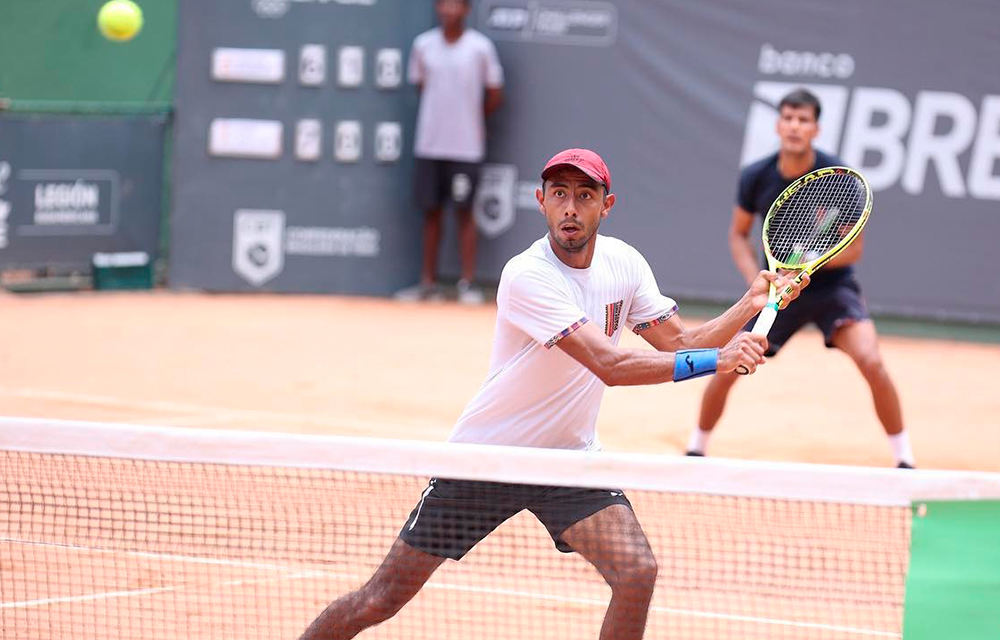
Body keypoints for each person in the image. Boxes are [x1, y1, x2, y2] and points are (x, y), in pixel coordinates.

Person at [297, 148, 809, 640]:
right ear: (540, 200)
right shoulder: (528, 275)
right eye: (559, 193)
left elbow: (678, 342)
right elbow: (609, 365)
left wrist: (750, 302)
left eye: (585, 195)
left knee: (636, 571)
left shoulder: (624, 264)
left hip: (566, 461)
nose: (570, 206)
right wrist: (719, 361)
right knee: (380, 600)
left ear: (606, 206)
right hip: (487, 460)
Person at [684, 88, 916, 469]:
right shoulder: (756, 176)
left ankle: (905, 459)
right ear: (778, 124)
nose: (795, 126)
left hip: (831, 289)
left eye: (803, 119)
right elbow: (737, 234)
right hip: (777, 291)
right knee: (730, 364)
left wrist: (807, 266)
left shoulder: (838, 177)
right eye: (788, 118)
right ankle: (695, 448)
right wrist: (758, 281)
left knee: (871, 361)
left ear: (816, 129)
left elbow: (853, 250)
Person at [400, 0, 504, 303]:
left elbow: (495, 92)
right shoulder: (423, 46)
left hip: (466, 148)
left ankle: (466, 285)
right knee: (431, 213)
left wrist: (471, 120)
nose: (448, 10)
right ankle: (427, 283)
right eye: (443, 4)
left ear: (467, 10)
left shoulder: (480, 48)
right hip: (429, 145)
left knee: (464, 213)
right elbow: (420, 85)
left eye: (455, 4)